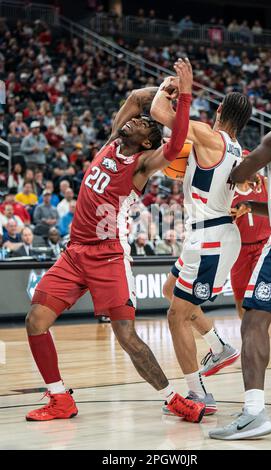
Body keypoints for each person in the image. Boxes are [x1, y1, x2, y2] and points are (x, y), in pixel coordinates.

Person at [25, 58, 206, 423]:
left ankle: (173, 398)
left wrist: (183, 98)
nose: (133, 120)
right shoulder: (112, 141)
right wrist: (165, 88)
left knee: (126, 336)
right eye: (136, 119)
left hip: (108, 256)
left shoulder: (140, 166)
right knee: (35, 321)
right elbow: (136, 97)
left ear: (145, 142)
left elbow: (173, 148)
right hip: (75, 252)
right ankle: (60, 398)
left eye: (140, 124)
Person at [151, 64, 252, 412]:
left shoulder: (210, 137)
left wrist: (169, 88)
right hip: (212, 234)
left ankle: (197, 393)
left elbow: (157, 112)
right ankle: (218, 345)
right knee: (170, 292)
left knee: (176, 315)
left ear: (221, 112)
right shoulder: (239, 148)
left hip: (209, 239)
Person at [209, 114, 271, 440]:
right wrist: (251, 203)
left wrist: (220, 155)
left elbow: (238, 172)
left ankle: (253, 413)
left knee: (253, 321)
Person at [230, 151, 271, 318]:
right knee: (240, 297)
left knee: (261, 294)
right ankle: (246, 334)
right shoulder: (228, 191)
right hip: (238, 249)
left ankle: (262, 332)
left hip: (263, 244)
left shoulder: (265, 182)